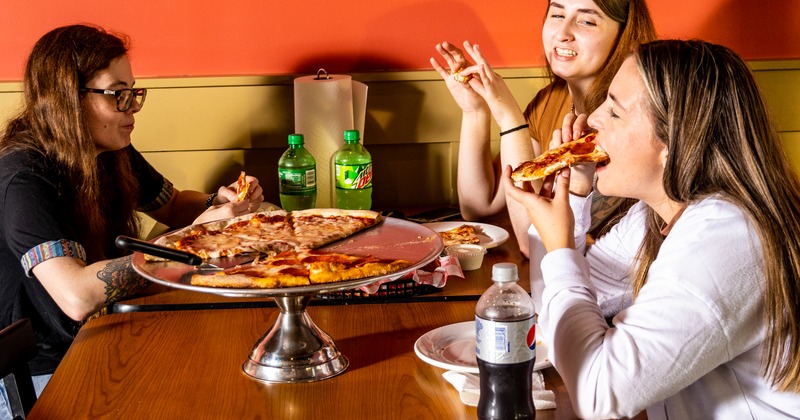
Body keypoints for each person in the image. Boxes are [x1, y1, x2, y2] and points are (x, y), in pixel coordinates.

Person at [502, 39, 800, 418]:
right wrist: (573, 199)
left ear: (673, 140)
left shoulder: (726, 238)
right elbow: (554, 317)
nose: (592, 119)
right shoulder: (656, 215)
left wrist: (560, 248)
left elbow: (597, 396)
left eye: (615, 111)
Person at [0, 24, 263, 416]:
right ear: (67, 100)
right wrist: (196, 239)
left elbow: (172, 206)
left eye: (134, 93)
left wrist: (219, 202)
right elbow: (77, 296)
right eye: (117, 95)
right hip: (42, 374)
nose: (133, 108)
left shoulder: (108, 148)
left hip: (101, 337)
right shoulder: (24, 177)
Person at [430, 0, 656, 256]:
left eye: (586, 21)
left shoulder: (626, 121)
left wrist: (510, 120)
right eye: (558, 14)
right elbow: (480, 207)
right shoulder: (552, 99)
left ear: (625, 37)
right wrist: (475, 110)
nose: (562, 33)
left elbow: (537, 244)